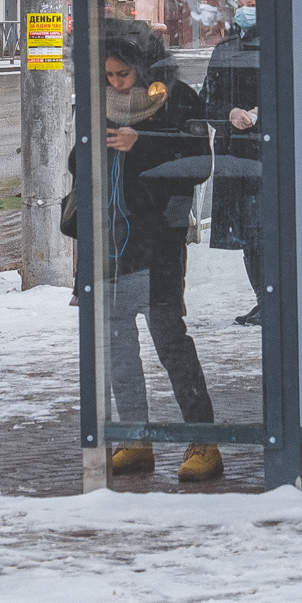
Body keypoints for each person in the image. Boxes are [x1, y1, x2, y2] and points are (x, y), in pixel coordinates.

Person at [68, 31, 222, 482]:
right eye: (108, 75)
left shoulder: (177, 98)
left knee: (168, 333)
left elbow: (199, 161)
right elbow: (78, 163)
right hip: (112, 234)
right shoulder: (98, 102)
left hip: (159, 235)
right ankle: (135, 438)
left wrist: (144, 144)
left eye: (124, 74)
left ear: (145, 67)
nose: (115, 83)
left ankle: (204, 440)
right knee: (117, 338)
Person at [202, 0, 263, 326]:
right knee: (246, 235)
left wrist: (258, 114)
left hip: (264, 155)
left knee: (262, 230)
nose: (243, 10)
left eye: (251, 4)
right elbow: (207, 102)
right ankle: (262, 297)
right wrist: (228, 113)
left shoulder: (277, 46)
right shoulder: (225, 51)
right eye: (239, 4)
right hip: (231, 154)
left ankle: (273, 296)